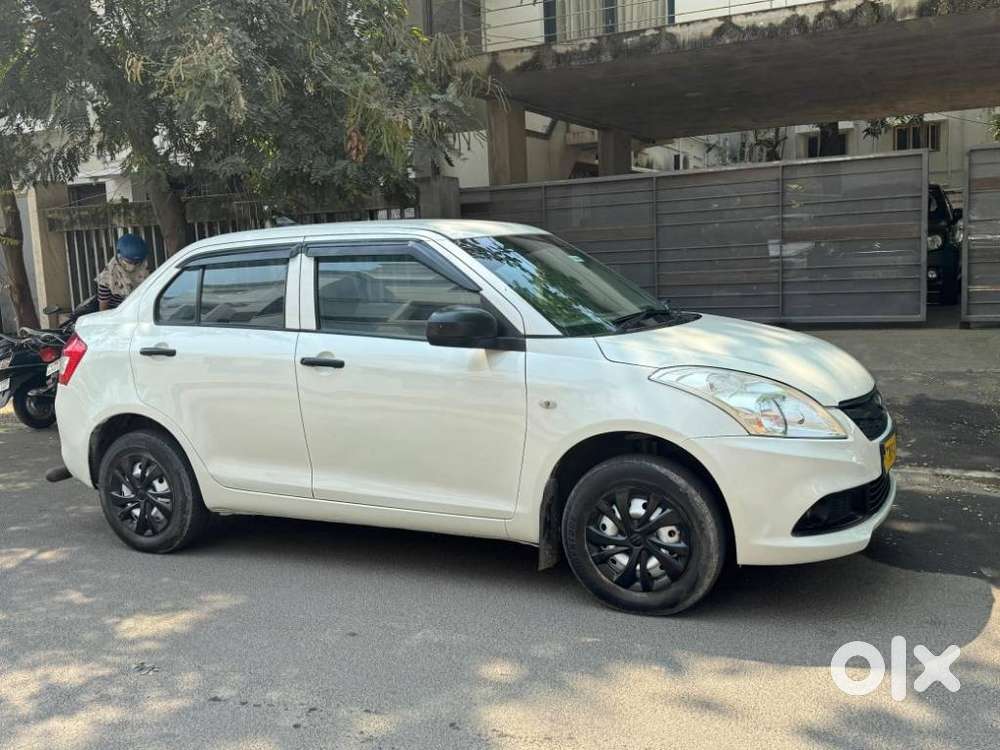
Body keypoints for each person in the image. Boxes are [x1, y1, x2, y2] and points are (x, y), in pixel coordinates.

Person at [97, 233, 150, 310]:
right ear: (119, 257)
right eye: (129, 261)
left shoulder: (144, 268)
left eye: (137, 262)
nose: (133, 265)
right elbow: (103, 306)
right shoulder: (108, 277)